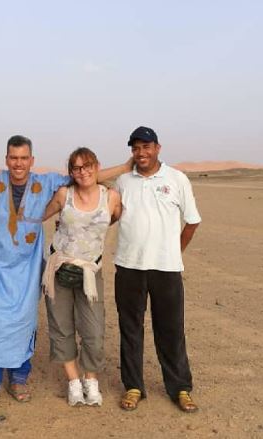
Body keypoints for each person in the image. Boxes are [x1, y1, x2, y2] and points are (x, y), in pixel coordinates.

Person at [0, 135, 128, 416]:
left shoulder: (48, 182)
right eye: (13, 158)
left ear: (32, 160)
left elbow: (87, 176)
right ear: (6, 160)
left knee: (22, 323)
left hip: (28, 271)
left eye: (24, 158)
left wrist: (124, 168)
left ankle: (18, 379)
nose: (18, 163)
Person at [113, 126, 201, 413]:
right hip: (129, 266)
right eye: (136, 148)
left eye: (146, 147)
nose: (142, 153)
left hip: (166, 268)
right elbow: (109, 216)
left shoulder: (176, 179)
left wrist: (174, 252)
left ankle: (180, 388)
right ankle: (134, 386)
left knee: (171, 330)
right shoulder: (123, 182)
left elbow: (192, 221)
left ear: (158, 148)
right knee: (130, 329)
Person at [42, 147, 122, 407]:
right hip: (58, 269)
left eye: (87, 166)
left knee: (94, 331)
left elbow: (112, 220)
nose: (83, 172)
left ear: (96, 166)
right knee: (61, 327)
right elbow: (37, 215)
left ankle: (91, 380)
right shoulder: (64, 194)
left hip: (90, 272)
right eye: (77, 168)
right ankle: (74, 382)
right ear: (71, 172)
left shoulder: (111, 197)